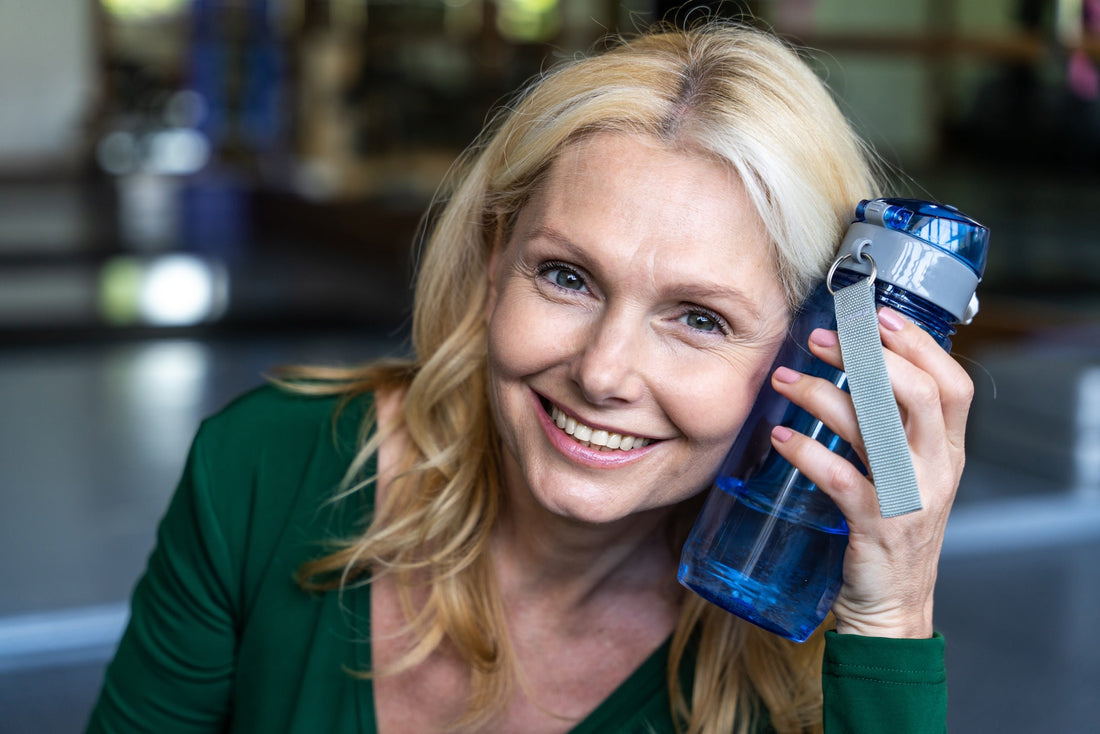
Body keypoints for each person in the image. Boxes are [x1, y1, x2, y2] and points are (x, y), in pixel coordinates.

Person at [87, 21, 969, 734]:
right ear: (491, 261)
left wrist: (892, 616)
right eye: (567, 277)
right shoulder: (266, 468)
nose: (603, 371)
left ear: (811, 357)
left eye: (700, 319)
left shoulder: (810, 647)